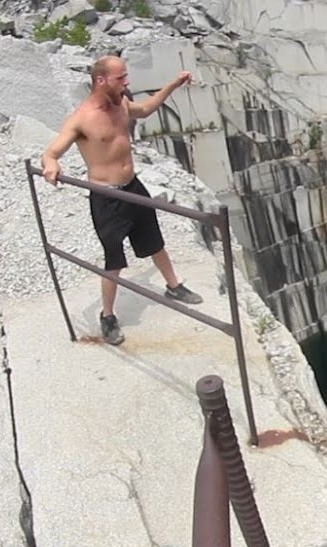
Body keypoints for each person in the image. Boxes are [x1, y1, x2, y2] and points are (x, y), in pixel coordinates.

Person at [40, 54, 204, 346]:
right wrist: (51, 163)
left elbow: (147, 107)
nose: (126, 82)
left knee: (154, 240)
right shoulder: (82, 118)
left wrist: (174, 84)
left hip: (133, 186)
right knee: (114, 259)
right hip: (107, 197)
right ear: (100, 80)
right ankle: (107, 316)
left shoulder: (122, 104)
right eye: (120, 78)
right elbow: (52, 151)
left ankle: (174, 286)